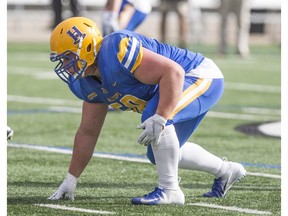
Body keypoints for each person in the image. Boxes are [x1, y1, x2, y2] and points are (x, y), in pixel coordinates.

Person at [47, 17, 246, 204]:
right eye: (62, 60)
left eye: (68, 58)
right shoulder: (85, 84)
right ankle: (226, 170)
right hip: (176, 83)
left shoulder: (117, 50)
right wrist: (71, 178)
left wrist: (160, 117)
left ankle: (170, 190)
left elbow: (173, 72)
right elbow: (87, 132)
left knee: (155, 117)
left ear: (88, 48)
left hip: (199, 75)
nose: (65, 65)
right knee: (157, 153)